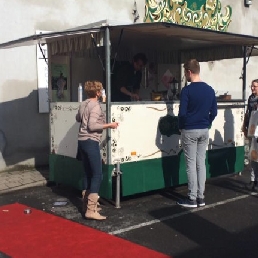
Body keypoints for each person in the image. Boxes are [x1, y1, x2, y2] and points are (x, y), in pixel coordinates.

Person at [177, 59, 217, 208]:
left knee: (191, 164)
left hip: (189, 129)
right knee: (201, 163)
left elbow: (182, 114)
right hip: (204, 129)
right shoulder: (210, 89)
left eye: (185, 73)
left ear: (189, 72)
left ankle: (192, 198)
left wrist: (181, 127)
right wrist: (207, 122)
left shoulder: (187, 91)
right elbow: (214, 112)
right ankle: (201, 197)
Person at [76, 81, 119, 220]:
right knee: (97, 175)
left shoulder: (83, 104)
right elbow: (92, 125)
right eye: (100, 91)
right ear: (98, 93)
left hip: (81, 141)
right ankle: (91, 210)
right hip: (90, 141)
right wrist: (110, 125)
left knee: (88, 173)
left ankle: (86, 204)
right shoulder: (95, 106)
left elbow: (78, 118)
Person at [241, 79, 258, 191]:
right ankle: (253, 180)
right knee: (252, 157)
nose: (252, 88)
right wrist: (245, 126)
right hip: (252, 131)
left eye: (255, 86)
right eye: (252, 86)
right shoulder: (251, 98)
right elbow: (248, 113)